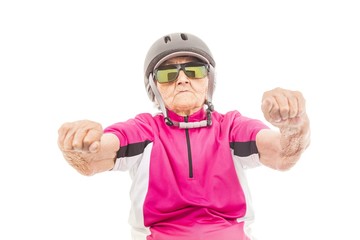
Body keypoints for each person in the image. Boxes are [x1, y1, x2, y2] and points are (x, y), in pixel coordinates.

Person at [58, 32, 310, 240]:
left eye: (194, 71)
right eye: (168, 74)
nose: (182, 80)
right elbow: (95, 157)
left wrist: (294, 126)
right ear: (154, 87)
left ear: (208, 80)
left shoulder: (231, 127)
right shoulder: (144, 130)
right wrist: (78, 144)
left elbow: (283, 155)